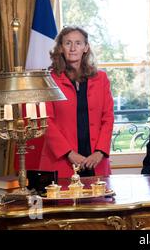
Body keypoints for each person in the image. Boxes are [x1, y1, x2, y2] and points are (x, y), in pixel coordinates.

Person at [39, 26, 114, 178]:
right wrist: (69, 153)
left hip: (96, 160)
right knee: (64, 201)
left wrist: (100, 152)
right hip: (62, 160)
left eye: (78, 43)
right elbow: (46, 121)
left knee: (99, 201)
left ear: (86, 48)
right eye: (68, 43)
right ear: (60, 48)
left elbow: (108, 118)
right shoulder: (48, 80)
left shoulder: (101, 79)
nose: (73, 48)